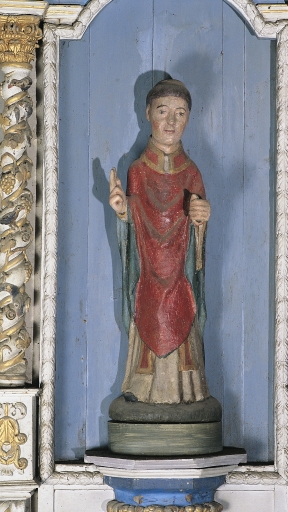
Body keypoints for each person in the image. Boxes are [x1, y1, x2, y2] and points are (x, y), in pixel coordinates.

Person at [109, 79, 211, 404]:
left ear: (189, 119)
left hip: (180, 272)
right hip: (148, 270)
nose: (170, 122)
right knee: (148, 309)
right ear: (148, 113)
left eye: (180, 114)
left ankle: (187, 389)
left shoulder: (191, 173)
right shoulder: (138, 171)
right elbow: (135, 220)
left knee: (182, 309)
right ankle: (143, 389)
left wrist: (200, 218)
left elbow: (197, 231)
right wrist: (123, 210)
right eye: (163, 111)